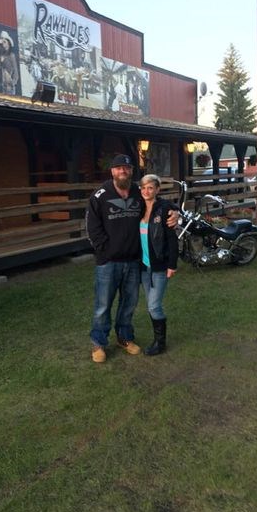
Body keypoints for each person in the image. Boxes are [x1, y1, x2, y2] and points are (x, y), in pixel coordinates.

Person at [86, 154, 179, 363]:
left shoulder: (138, 192)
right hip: (108, 262)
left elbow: (160, 202)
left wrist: (176, 212)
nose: (123, 171)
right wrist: (106, 251)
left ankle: (124, 337)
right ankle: (99, 343)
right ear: (112, 171)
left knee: (129, 303)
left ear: (131, 172)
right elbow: (92, 228)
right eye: (119, 168)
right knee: (103, 305)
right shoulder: (100, 195)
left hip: (134, 262)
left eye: (126, 168)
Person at [139, 174, 179, 355]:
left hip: (160, 265)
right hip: (144, 266)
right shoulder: (138, 208)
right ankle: (157, 339)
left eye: (150, 188)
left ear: (157, 190)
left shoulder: (164, 209)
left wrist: (172, 265)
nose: (146, 191)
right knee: (151, 304)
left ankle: (160, 343)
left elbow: (172, 240)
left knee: (154, 306)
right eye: (143, 188)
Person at [0, 31, 19, 95]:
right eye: (2, 42)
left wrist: (13, 83)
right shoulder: (2, 55)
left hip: (10, 85)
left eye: (4, 42)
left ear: (8, 43)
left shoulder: (11, 55)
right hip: (3, 84)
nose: (3, 44)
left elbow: (15, 70)